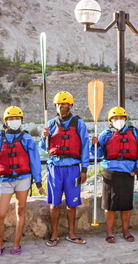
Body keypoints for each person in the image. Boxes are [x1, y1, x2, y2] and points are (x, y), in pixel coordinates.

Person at [0, 106, 44, 256]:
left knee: (20, 210)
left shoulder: (27, 138)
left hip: (23, 178)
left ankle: (16, 243)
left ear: (21, 120)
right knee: (0, 215)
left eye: (17, 118)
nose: (14, 121)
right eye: (11, 119)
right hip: (5, 180)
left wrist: (38, 182)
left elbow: (35, 161)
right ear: (6, 121)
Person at [40, 91, 90, 247]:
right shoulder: (50, 124)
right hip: (55, 168)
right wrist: (44, 137)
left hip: (73, 168)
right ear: (55, 106)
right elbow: (44, 148)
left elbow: (85, 147)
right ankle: (54, 234)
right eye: (59, 105)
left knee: (72, 203)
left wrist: (84, 169)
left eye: (65, 104)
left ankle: (71, 233)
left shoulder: (79, 124)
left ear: (70, 105)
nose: (61, 107)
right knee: (54, 203)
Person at [91, 107, 138, 243]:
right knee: (109, 204)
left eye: (121, 118)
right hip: (110, 172)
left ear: (125, 119)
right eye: (115, 118)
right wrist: (94, 145)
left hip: (128, 172)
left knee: (126, 205)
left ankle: (125, 230)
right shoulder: (106, 133)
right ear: (111, 120)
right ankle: (109, 232)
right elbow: (97, 154)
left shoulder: (134, 133)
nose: (119, 120)